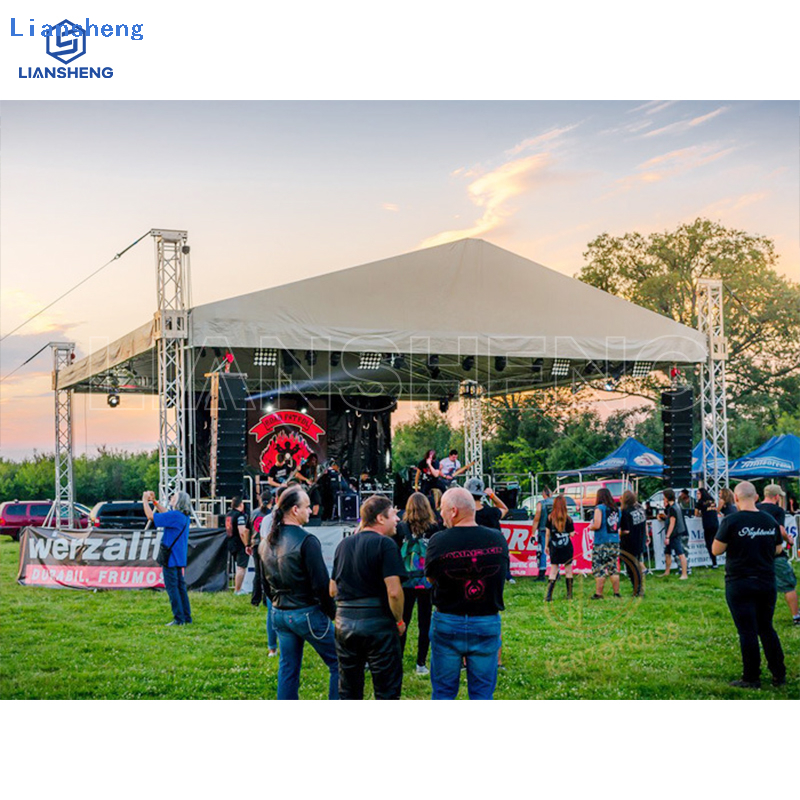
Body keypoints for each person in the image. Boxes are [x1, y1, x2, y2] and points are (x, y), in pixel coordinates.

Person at [425, 487, 509, 700]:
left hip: (448, 621)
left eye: (442, 509)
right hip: (486, 621)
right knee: (482, 695)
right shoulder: (498, 539)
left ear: (453, 511)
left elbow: (430, 578)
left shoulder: (439, 540)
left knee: (443, 693)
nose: (440, 515)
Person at [259, 486, 339, 700]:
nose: (311, 511)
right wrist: (334, 615)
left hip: (279, 613)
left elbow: (264, 585)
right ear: (295, 510)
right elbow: (321, 585)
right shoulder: (306, 541)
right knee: (341, 661)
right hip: (306, 614)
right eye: (306, 507)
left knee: (288, 668)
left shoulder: (266, 542)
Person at [330, 495, 407, 700]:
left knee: (349, 690)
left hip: (344, 623)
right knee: (387, 691)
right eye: (393, 514)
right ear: (381, 518)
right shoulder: (386, 545)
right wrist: (399, 620)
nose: (397, 519)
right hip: (378, 623)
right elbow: (394, 591)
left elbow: (332, 590)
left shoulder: (343, 545)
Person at [712, 481, 786, 689]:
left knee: (747, 631)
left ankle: (752, 677)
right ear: (755, 497)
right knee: (766, 627)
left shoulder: (731, 521)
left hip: (739, 581)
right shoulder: (769, 520)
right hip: (765, 580)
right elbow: (778, 548)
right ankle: (779, 674)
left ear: (735, 498)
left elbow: (716, 550)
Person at [394, 492, 441, 676]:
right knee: (425, 623)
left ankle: (398, 659)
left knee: (402, 621)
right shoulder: (434, 528)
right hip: (426, 580)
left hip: (405, 582)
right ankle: (421, 663)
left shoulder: (400, 527)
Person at [142, 490, 192, 626]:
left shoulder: (175, 516)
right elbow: (165, 513)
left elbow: (150, 517)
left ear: (179, 502)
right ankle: (186, 617)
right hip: (178, 557)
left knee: (172, 588)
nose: (171, 497)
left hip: (170, 558)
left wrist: (145, 501)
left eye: (174, 497)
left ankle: (178, 619)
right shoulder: (183, 516)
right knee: (180, 587)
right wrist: (155, 502)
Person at [757, 484, 799, 626]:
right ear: (776, 496)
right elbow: (780, 530)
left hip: (756, 552)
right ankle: (796, 616)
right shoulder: (778, 510)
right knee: (788, 584)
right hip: (774, 552)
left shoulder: (755, 507)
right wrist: (790, 540)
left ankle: (759, 616)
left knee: (760, 584)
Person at [250, 490, 278, 657]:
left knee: (258, 578)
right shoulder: (271, 518)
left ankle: (272, 647)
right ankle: (273, 645)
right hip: (274, 562)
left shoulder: (260, 515)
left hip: (262, 554)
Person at [589, 487, 621, 599]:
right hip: (615, 541)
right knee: (613, 567)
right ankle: (616, 593)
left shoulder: (599, 508)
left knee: (599, 567)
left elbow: (597, 524)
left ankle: (599, 594)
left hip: (602, 541)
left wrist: (590, 527)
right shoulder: (617, 510)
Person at [544, 494, 575, 601]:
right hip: (566, 547)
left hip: (554, 547)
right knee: (568, 570)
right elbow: (571, 533)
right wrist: (572, 533)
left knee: (553, 570)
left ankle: (548, 596)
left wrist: (546, 546)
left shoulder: (550, 518)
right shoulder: (569, 519)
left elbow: (547, 534)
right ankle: (569, 595)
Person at [660, 488, 689, 580]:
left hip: (674, 534)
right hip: (675, 533)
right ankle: (667, 572)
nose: (663, 498)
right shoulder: (675, 506)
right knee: (667, 553)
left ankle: (684, 574)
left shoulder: (673, 508)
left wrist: (667, 536)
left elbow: (672, 523)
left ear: (667, 498)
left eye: (664, 497)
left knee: (680, 553)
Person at [226, 496, 250, 594]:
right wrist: (246, 544)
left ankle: (237, 588)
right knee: (241, 567)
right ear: (241, 504)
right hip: (239, 544)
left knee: (238, 566)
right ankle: (238, 590)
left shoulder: (228, 515)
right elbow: (242, 532)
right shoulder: (240, 516)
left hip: (231, 542)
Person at [532, 487, 555, 582]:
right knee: (554, 550)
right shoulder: (556, 503)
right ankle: (556, 573)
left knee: (543, 552)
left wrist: (532, 533)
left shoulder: (541, 504)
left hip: (543, 529)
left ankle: (542, 573)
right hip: (555, 530)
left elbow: (536, 518)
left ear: (544, 494)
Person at [695, 487, 720, 568]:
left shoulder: (700, 502)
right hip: (715, 523)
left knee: (709, 543)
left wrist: (701, 514)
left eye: (698, 493)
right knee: (715, 541)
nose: (697, 495)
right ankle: (716, 561)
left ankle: (714, 562)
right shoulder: (712, 500)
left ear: (701, 494)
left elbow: (696, 513)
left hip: (707, 524)